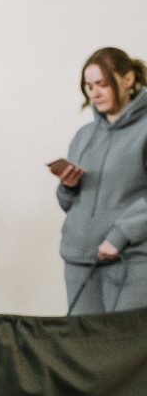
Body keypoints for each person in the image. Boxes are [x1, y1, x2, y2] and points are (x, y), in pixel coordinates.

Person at [56, 47, 147, 314]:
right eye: (89, 86)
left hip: (130, 261)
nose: (94, 93)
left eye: (102, 84)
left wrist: (120, 236)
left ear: (128, 79)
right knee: (82, 350)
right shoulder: (83, 136)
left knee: (126, 352)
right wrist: (67, 186)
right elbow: (68, 204)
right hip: (78, 261)